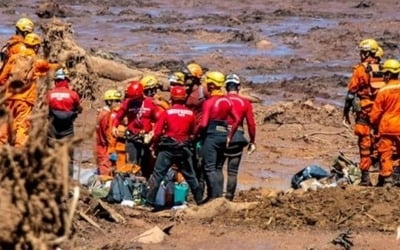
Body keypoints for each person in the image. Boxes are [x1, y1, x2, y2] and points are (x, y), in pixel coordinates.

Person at [146, 86, 203, 206]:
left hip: (167, 148)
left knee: (157, 175)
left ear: (172, 97)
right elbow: (193, 132)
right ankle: (200, 202)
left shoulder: (167, 112)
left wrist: (154, 146)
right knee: (191, 176)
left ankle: (149, 202)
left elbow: (157, 132)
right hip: (183, 148)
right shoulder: (190, 114)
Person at [0, 33, 57, 147]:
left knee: (6, 122)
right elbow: (52, 68)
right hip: (26, 99)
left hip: (10, 97)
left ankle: (1, 145)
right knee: (22, 125)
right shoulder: (37, 62)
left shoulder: (13, 58)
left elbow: (1, 79)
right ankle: (18, 149)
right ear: (36, 46)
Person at [342, 38, 385, 186]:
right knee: (381, 144)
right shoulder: (382, 68)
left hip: (365, 114)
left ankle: (365, 179)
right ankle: (384, 178)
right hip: (380, 114)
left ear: (366, 53)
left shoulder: (360, 70)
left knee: (365, 145)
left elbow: (351, 93)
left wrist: (346, 111)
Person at [197, 71, 240, 201]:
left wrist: (195, 133)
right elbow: (237, 119)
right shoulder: (227, 100)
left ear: (210, 85)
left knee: (209, 167)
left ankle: (215, 198)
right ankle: (218, 196)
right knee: (217, 167)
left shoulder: (209, 102)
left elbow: (203, 124)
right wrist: (229, 135)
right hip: (223, 134)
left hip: (211, 135)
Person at [112, 81, 160, 178]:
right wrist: (114, 126)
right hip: (132, 137)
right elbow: (118, 116)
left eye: (135, 97)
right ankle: (133, 183)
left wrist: (153, 132)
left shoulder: (150, 103)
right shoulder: (128, 103)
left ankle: (145, 184)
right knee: (131, 163)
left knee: (146, 163)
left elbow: (159, 119)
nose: (133, 100)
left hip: (146, 138)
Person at [223, 73, 256, 200]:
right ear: (239, 87)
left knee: (217, 167)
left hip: (220, 136)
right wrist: (252, 141)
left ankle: (215, 196)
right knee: (233, 171)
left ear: (226, 87)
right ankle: (229, 198)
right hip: (237, 137)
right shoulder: (245, 103)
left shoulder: (221, 100)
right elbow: (251, 124)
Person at [370, 59, 400, 187]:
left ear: (387, 74)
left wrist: (372, 123)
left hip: (387, 126)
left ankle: (387, 180)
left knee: (385, 153)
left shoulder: (383, 91)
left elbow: (376, 113)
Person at [47, 68, 82, 176]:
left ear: (56, 81)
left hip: (52, 129)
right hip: (67, 130)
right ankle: (68, 182)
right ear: (66, 80)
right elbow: (79, 108)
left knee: (50, 156)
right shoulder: (73, 94)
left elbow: (44, 108)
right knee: (68, 158)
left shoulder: (49, 94)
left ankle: (49, 180)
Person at [95, 89, 123, 180]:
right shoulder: (107, 115)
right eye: (117, 101)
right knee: (106, 173)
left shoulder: (103, 113)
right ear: (109, 101)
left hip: (102, 146)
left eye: (120, 101)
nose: (119, 103)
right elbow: (109, 135)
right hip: (105, 148)